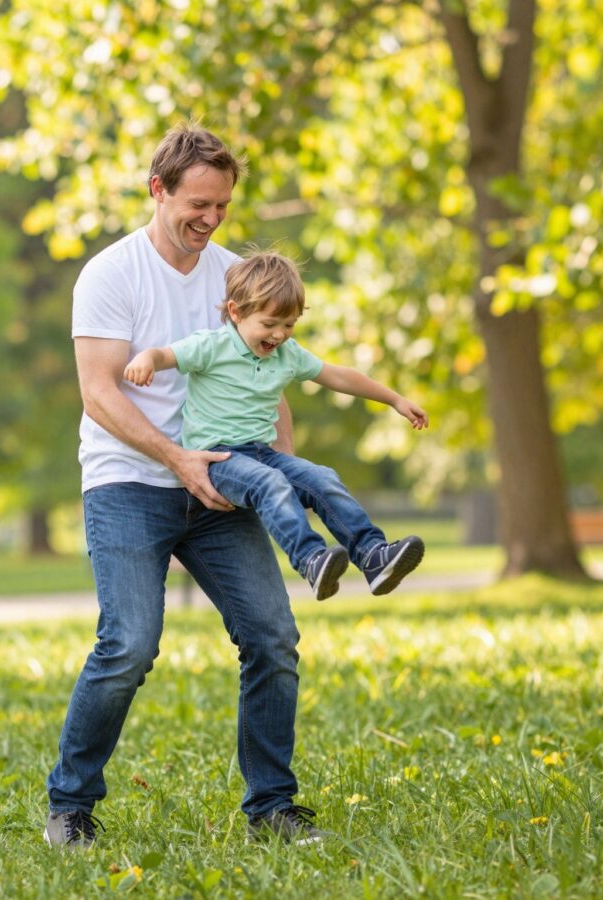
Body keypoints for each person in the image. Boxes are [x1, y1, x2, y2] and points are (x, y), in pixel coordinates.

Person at [45, 123, 323, 849]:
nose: (210, 218)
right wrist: (176, 459)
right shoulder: (112, 275)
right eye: (197, 203)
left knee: (272, 637)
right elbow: (99, 393)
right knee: (129, 645)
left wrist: (275, 479)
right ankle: (71, 804)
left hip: (223, 481)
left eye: (222, 206)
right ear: (157, 189)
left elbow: (269, 382)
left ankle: (274, 808)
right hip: (130, 483)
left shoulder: (236, 276)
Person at [124, 250, 429, 601]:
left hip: (262, 453)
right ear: (236, 313)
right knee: (270, 483)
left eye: (288, 325)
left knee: (322, 478)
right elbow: (167, 355)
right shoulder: (213, 346)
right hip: (218, 460)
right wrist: (147, 358)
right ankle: (310, 559)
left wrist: (394, 399)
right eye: (269, 325)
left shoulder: (287, 354)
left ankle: (372, 556)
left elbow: (338, 376)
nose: (279, 335)